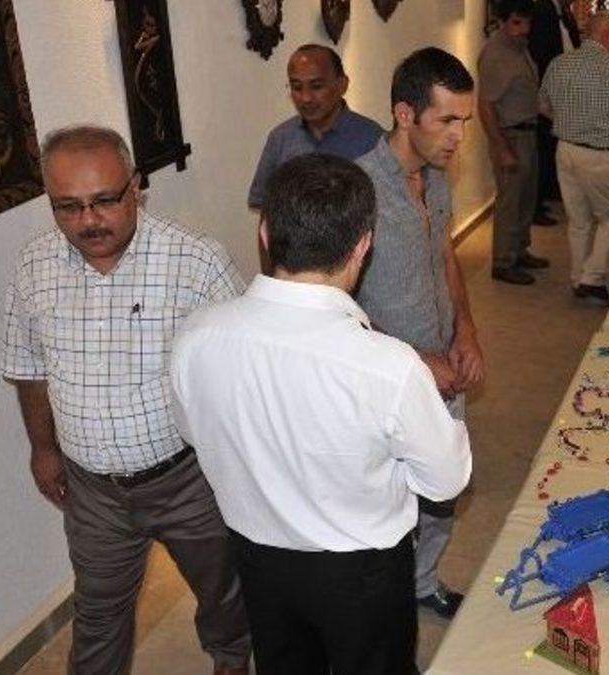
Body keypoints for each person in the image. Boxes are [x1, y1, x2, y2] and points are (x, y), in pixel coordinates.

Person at [170, 154, 472, 675]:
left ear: (265, 232)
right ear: (363, 245)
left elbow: (195, 433)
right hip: (364, 574)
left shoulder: (196, 336)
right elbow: (445, 482)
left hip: (257, 560)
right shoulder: (390, 365)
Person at [0, 125, 250, 675]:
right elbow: (29, 368)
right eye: (68, 207)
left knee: (225, 594)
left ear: (136, 186)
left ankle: (231, 661)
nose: (88, 220)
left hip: (191, 480)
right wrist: (43, 448)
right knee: (97, 615)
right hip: (94, 493)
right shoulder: (35, 266)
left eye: (104, 200)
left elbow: (243, 372)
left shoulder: (196, 262)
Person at [355, 47, 483, 620]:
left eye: (466, 121)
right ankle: (385, 606)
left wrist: (466, 330)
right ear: (405, 115)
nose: (459, 137)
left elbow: (445, 255)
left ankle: (423, 581)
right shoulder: (358, 190)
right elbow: (337, 304)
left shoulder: (435, 177)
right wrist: (413, 360)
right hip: (385, 381)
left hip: (444, 370)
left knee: (442, 491)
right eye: (447, 120)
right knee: (388, 506)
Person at [539, 11, 609, 306]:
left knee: (578, 221)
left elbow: (542, 105)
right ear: (607, 35)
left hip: (566, 150)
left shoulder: (560, 63)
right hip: (600, 155)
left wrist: (569, 121)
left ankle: (578, 278)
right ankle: (592, 277)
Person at [247, 43, 384, 210]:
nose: (306, 98)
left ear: (342, 85)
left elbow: (389, 207)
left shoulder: (372, 139)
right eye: (297, 87)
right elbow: (261, 202)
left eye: (317, 86)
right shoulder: (281, 138)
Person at [478, 0, 550, 285]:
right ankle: (503, 262)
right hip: (510, 136)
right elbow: (485, 106)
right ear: (503, 21)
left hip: (527, 132)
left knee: (526, 198)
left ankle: (519, 250)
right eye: (517, 22)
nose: (524, 28)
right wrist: (502, 148)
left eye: (527, 22)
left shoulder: (518, 48)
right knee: (510, 201)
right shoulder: (496, 54)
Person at [527, 0, 581, 226]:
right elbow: (540, 54)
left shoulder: (566, 13)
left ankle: (550, 190)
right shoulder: (543, 11)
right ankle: (536, 204)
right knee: (542, 148)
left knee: (552, 146)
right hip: (547, 92)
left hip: (562, 90)